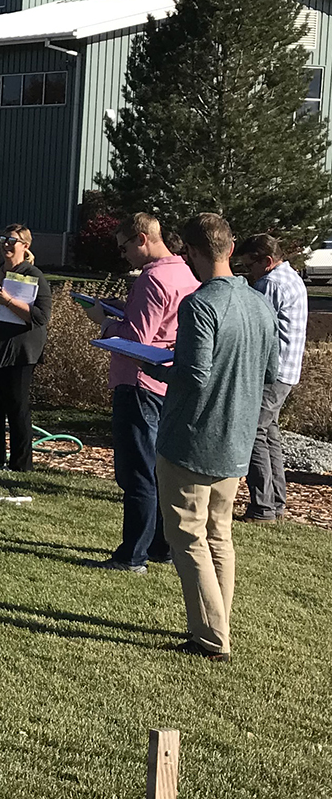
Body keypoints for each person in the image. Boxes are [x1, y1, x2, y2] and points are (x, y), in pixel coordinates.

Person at [145, 214, 277, 662]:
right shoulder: (259, 302)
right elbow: (270, 370)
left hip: (194, 436)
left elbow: (195, 374)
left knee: (187, 535)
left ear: (195, 253)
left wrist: (152, 364)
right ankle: (218, 624)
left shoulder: (201, 304)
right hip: (237, 438)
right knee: (219, 535)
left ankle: (210, 638)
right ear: (232, 246)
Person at [87, 213, 198, 573]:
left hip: (138, 382)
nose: (124, 256)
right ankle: (161, 545)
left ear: (141, 239)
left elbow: (135, 339)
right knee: (159, 469)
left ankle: (132, 555)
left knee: (137, 471)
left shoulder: (152, 278)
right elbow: (162, 321)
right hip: (166, 380)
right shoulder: (184, 272)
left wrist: (104, 322)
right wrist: (122, 308)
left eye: (124, 248)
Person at [0, 224, 51, 472]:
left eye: (13, 240)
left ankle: (21, 465)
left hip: (19, 351)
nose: (6, 243)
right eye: (4, 238)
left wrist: (7, 301)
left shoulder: (33, 275)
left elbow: (40, 317)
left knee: (17, 408)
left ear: (25, 246)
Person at [241, 233, 306, 523]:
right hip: (288, 372)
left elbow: (256, 327)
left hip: (270, 372)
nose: (249, 273)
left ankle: (263, 507)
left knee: (253, 433)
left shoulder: (271, 284)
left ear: (266, 261)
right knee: (269, 435)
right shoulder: (292, 277)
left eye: (250, 266)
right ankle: (276, 503)